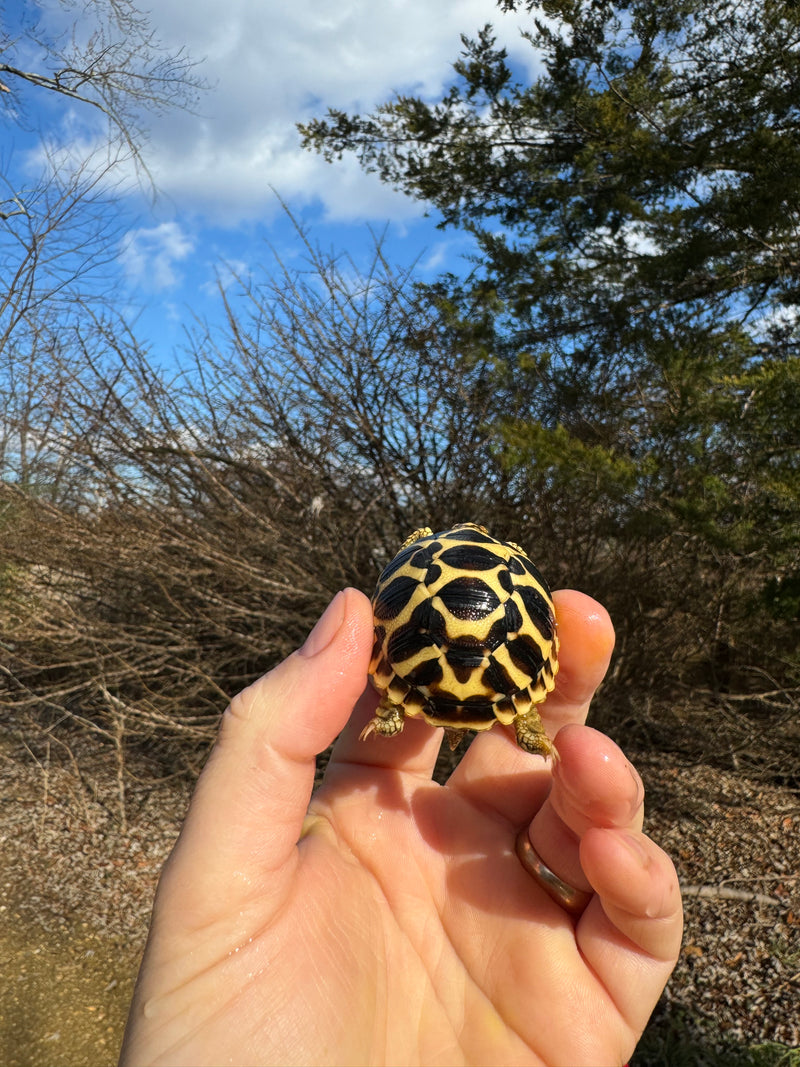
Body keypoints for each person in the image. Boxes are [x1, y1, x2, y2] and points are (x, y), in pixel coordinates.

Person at [120, 587, 682, 1066]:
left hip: (413, 680)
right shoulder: (513, 570)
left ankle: (398, 704)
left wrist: (400, 690)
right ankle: (516, 720)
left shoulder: (419, 560)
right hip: (508, 688)